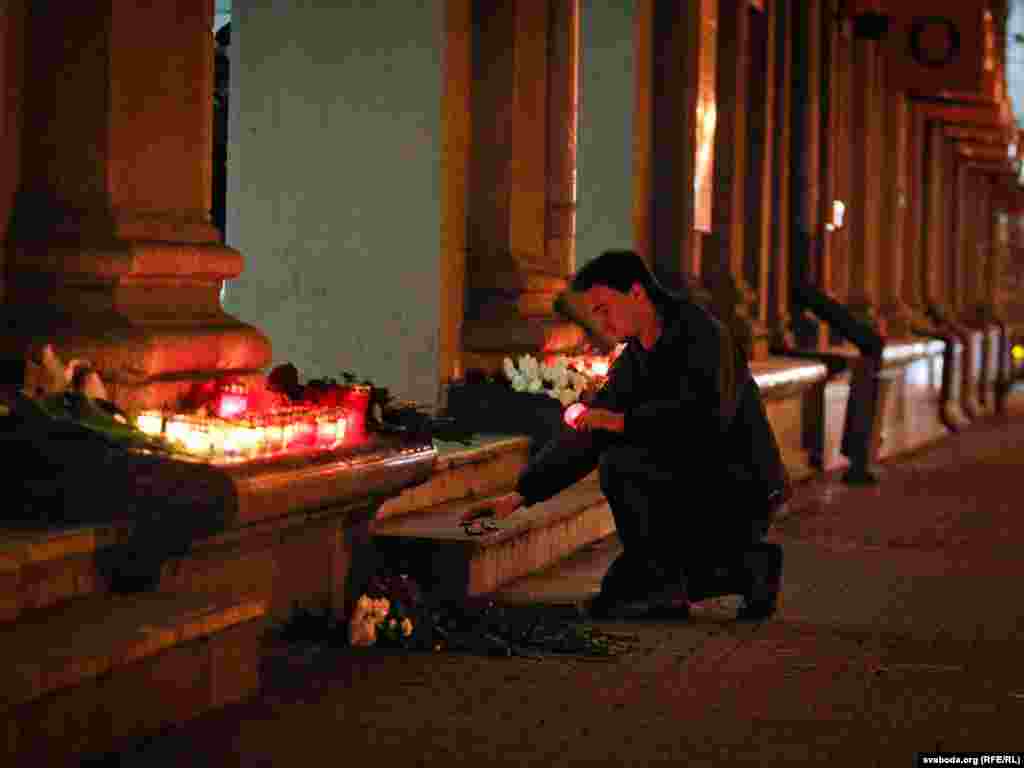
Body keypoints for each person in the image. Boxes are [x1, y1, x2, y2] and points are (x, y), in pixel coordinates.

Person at [472, 250, 790, 620]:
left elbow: (705, 421)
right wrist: (519, 495)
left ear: (637, 293)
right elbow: (590, 432)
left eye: (603, 309)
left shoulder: (704, 336)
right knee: (623, 590)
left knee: (621, 466)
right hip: (689, 482)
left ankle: (734, 567)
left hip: (738, 488)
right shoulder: (636, 358)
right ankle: (722, 573)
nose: (600, 322)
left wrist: (620, 422)